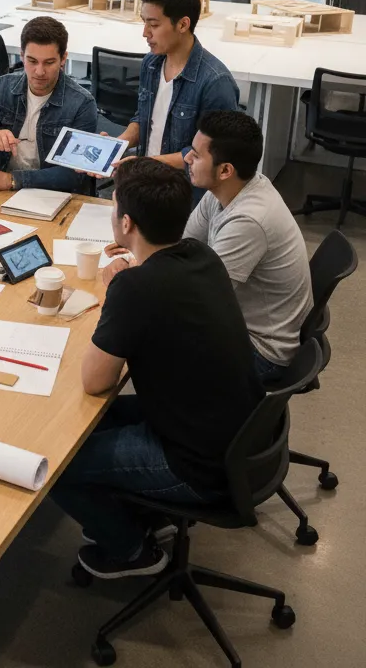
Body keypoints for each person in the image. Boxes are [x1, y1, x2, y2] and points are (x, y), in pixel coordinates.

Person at [52, 159, 263, 580]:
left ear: (126, 223)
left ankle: (131, 550)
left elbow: (95, 382)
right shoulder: (201, 254)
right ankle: (142, 512)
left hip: (198, 465)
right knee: (89, 424)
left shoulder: (136, 288)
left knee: (58, 464)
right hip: (239, 434)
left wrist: (118, 293)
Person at [102, 111, 313, 384]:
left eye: (197, 155)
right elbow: (178, 244)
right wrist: (138, 261)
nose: (187, 159)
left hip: (259, 352)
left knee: (135, 338)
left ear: (225, 170)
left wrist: (131, 280)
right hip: (237, 324)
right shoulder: (227, 190)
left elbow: (199, 299)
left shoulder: (249, 220)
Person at [114, 0, 239, 175]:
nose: (145, 33)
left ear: (183, 24)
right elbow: (144, 118)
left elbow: (212, 153)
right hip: (146, 174)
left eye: (153, 25)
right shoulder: (151, 63)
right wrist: (117, 144)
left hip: (183, 185)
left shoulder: (215, 82)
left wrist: (146, 164)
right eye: (144, 22)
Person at [0, 16, 97, 192]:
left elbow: (75, 175)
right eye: (32, 61)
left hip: (54, 194)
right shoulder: (3, 86)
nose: (39, 71)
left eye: (49, 62)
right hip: (5, 189)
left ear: (63, 58)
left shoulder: (82, 103)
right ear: (22, 56)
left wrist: (13, 180)